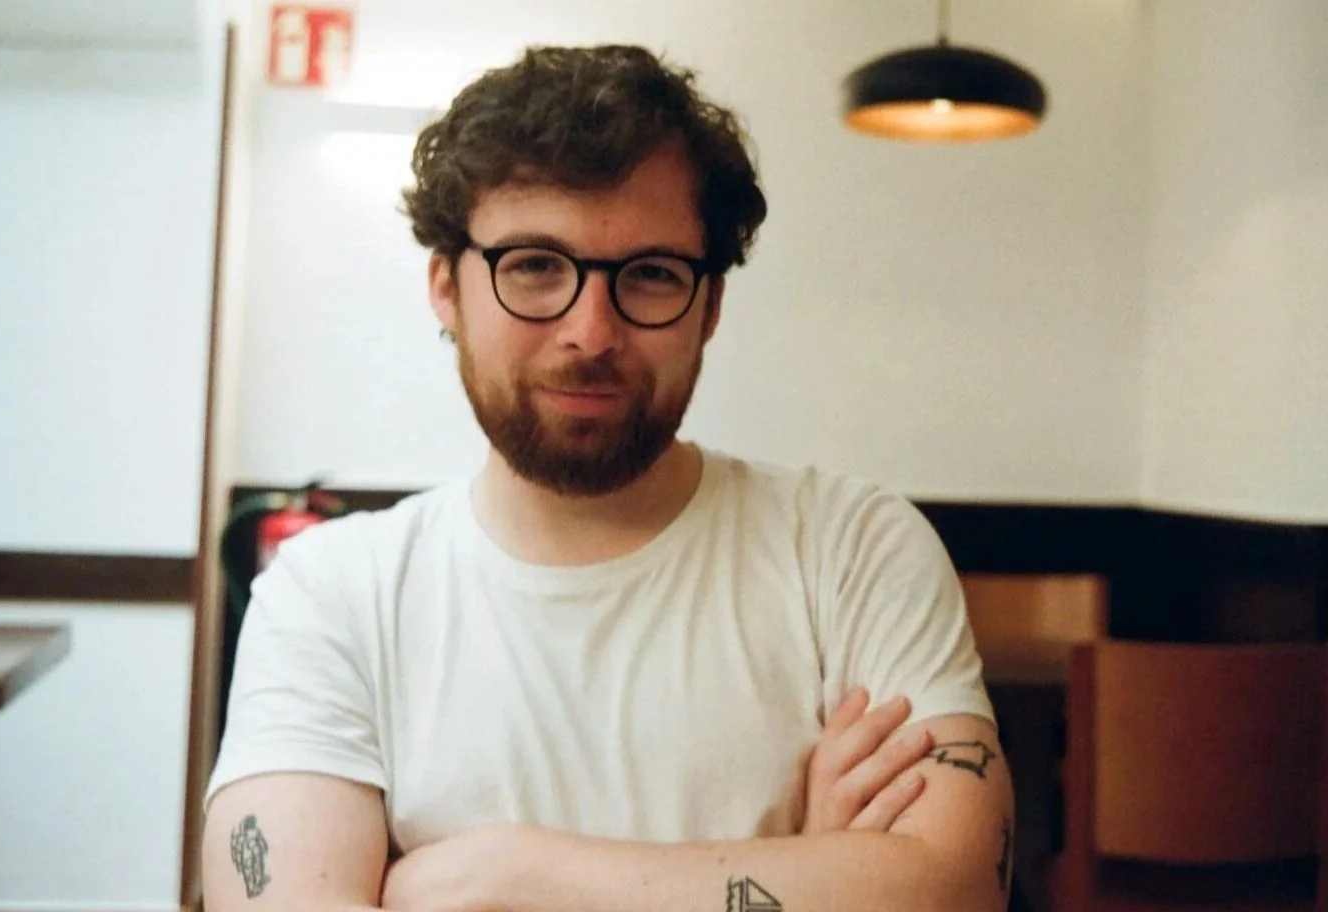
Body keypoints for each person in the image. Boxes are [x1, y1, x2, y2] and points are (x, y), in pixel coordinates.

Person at [203, 43, 1013, 912]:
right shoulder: (331, 595)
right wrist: (806, 869)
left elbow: (953, 887)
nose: (591, 331)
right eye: (535, 267)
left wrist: (505, 878)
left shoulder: (852, 547)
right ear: (446, 287)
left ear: (709, 307)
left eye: (652, 275)